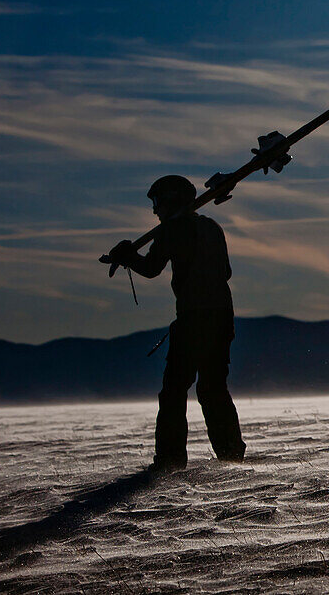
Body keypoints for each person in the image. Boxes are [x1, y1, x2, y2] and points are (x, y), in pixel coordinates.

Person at [102, 175, 246, 473]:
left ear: (170, 201)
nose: (155, 211)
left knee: (174, 391)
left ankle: (170, 460)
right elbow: (227, 272)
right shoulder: (211, 227)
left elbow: (152, 269)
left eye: (157, 203)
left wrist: (129, 256)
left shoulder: (171, 230)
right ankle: (231, 453)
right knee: (213, 388)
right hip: (222, 318)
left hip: (194, 320)